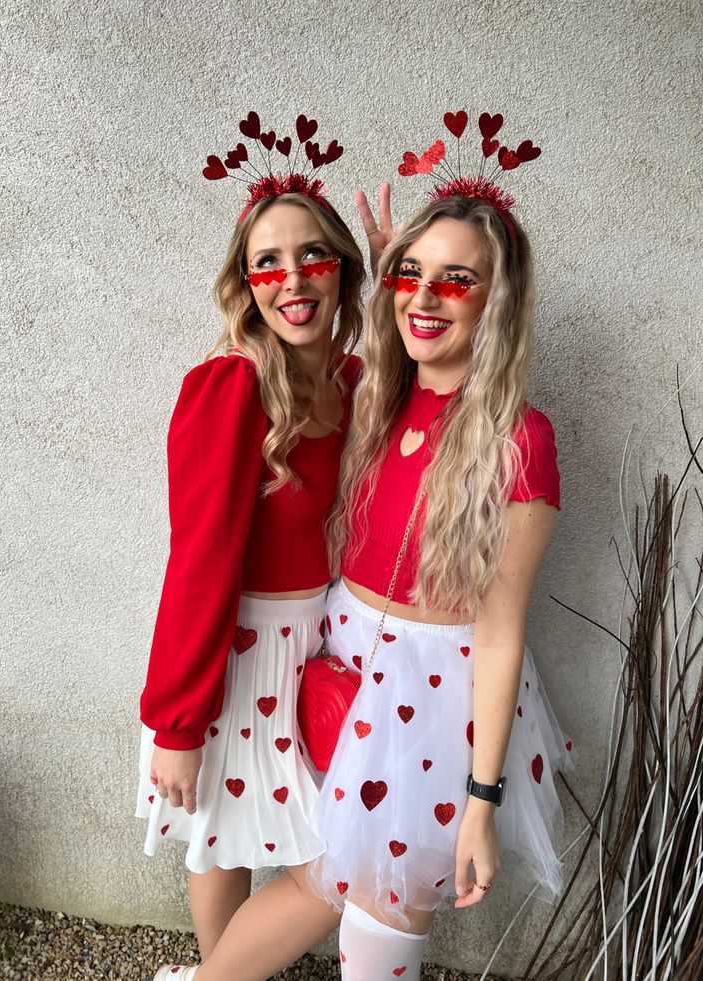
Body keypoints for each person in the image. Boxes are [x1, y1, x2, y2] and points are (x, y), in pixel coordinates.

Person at [192, 114, 572, 981]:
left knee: (382, 914)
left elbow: (503, 627)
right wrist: (380, 284)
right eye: (412, 275)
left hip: (432, 703)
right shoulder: (374, 397)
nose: (426, 298)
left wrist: (483, 802)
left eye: (457, 281)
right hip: (336, 660)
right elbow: (347, 338)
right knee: (314, 879)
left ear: (499, 299)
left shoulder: (521, 441)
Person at [134, 113, 366, 981]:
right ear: (245, 281)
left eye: (314, 255)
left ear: (343, 267)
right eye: (266, 261)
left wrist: (386, 284)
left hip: (312, 645)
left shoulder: (350, 380)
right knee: (228, 834)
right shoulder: (230, 387)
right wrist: (178, 721)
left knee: (253, 836)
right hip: (232, 653)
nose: (291, 279)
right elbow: (198, 561)